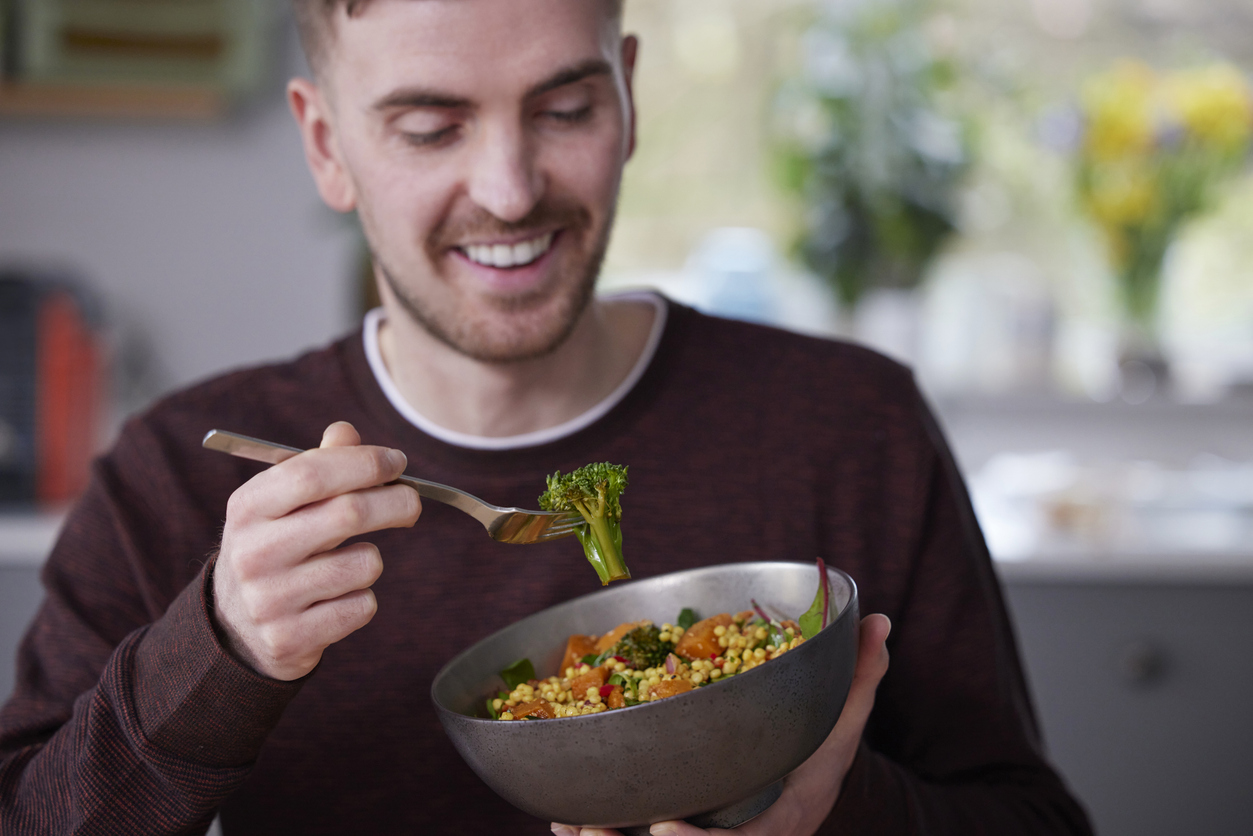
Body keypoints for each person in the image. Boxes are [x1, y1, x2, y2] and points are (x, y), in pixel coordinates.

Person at [0, 1, 1093, 834]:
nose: (511, 188)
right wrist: (221, 647)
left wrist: (833, 807)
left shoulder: (849, 424)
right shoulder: (176, 475)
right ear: (328, 146)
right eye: (431, 128)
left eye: (563, 110)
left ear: (625, 99)